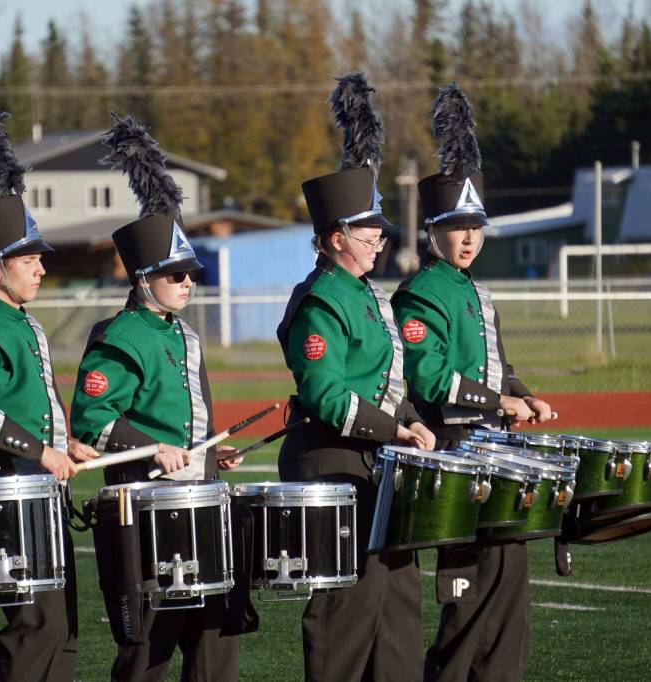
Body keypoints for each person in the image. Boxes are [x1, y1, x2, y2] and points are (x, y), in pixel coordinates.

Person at [70, 114, 251, 682]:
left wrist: (205, 455)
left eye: (190, 274)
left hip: (198, 497)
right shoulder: (119, 338)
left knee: (216, 635)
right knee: (151, 643)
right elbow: (92, 421)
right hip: (147, 510)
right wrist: (153, 449)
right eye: (175, 276)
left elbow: (188, 425)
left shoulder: (183, 334)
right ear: (144, 279)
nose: (188, 284)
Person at [390, 83, 556, 682]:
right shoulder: (418, 293)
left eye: (476, 227)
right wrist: (497, 400)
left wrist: (525, 395)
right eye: (456, 227)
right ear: (432, 231)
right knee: (468, 607)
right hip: (456, 461)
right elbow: (429, 376)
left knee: (510, 602)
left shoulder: (477, 293)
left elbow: (498, 368)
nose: (468, 238)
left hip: (496, 456)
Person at [275, 73, 435, 682]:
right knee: (346, 615)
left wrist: (414, 421)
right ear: (335, 238)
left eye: (379, 233)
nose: (379, 242)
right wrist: (395, 430)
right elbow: (325, 392)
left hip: (376, 463)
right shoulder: (322, 299)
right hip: (333, 462)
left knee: (398, 610)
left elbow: (390, 382)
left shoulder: (368, 294)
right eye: (367, 234)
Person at [0, 95, 98, 681]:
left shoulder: (20, 322)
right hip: (10, 492)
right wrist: (42, 451)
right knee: (34, 629)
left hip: (39, 490)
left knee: (60, 632)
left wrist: (67, 441)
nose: (40, 268)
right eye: (27, 258)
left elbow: (32, 408)